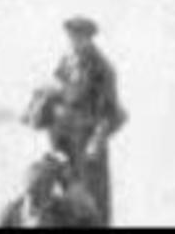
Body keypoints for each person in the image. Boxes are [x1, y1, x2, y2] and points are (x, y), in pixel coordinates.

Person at [43, 17, 123, 225]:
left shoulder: (102, 68)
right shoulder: (68, 59)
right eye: (71, 37)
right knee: (65, 185)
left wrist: (97, 140)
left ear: (89, 38)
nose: (74, 41)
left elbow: (110, 111)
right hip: (64, 133)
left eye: (79, 37)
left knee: (93, 194)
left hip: (88, 137)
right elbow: (57, 84)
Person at [0, 151, 100, 228]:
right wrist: (69, 182)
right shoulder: (12, 213)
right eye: (33, 192)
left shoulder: (63, 212)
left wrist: (69, 182)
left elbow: (91, 218)